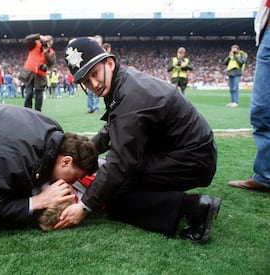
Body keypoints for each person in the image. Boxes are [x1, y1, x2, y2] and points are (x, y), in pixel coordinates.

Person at [57, 37, 221, 244]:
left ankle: (195, 208)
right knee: (116, 180)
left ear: (109, 63)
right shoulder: (123, 81)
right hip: (183, 152)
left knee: (115, 194)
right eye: (86, 81)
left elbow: (119, 163)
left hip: (192, 160)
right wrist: (84, 152)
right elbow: (112, 128)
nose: (94, 84)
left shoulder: (131, 96)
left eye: (94, 74)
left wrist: (84, 206)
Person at [228, 0, 270, 192]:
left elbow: (242, 61)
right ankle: (265, 175)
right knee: (262, 109)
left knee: (262, 108)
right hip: (267, 31)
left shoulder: (242, 55)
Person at [22, 33, 56, 112]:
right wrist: (39, 36)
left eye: (49, 43)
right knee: (29, 93)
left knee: (39, 96)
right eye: (46, 41)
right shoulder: (34, 45)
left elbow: (51, 64)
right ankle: (27, 111)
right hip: (29, 73)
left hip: (40, 76)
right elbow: (27, 38)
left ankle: (38, 112)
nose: (47, 44)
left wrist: (46, 53)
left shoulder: (51, 52)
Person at [85, 35, 104, 114]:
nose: (97, 43)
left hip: (98, 74)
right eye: (95, 42)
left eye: (98, 42)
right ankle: (91, 108)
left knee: (96, 92)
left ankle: (96, 108)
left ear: (101, 43)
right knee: (89, 92)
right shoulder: (91, 50)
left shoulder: (102, 51)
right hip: (90, 74)